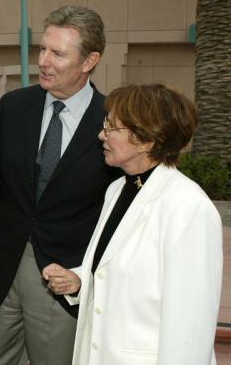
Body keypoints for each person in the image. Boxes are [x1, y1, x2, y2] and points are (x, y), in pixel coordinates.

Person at [0, 6, 118, 364]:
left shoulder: (111, 119)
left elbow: (117, 211)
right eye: (43, 49)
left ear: (90, 60)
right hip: (4, 273)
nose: (44, 61)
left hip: (62, 282)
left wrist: (85, 277)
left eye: (58, 53)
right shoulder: (14, 106)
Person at [43, 83, 223, 365]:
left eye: (112, 128)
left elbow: (190, 324)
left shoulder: (188, 207)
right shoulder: (117, 189)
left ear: (146, 140)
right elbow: (121, 269)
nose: (101, 134)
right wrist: (80, 281)